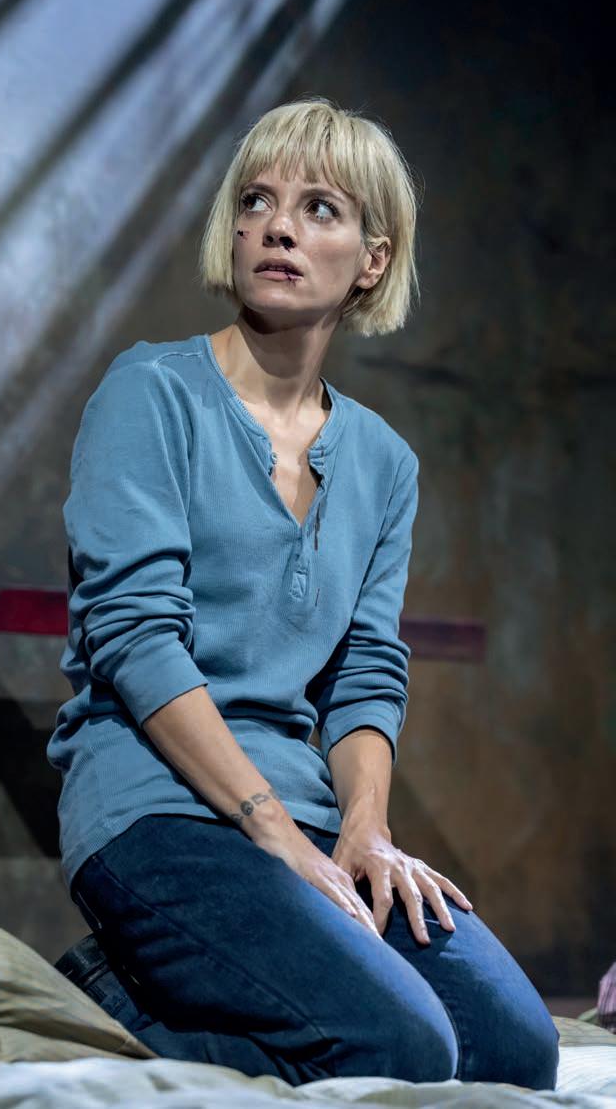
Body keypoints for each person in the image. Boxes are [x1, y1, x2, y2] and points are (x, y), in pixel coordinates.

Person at [49, 96, 560, 1089]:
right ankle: (110, 997)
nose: (276, 226)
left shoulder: (384, 462)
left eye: (319, 208)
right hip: (157, 813)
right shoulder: (149, 395)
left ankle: (184, 979)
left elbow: (364, 669)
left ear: (371, 260)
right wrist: (272, 832)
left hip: (306, 815)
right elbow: (135, 637)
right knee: (400, 1043)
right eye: (256, 201)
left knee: (514, 1047)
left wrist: (363, 830)